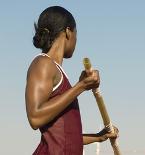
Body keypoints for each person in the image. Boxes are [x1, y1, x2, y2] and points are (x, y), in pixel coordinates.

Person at [25, 6, 119, 155]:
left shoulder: (57, 71)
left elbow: (65, 137)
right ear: (68, 32)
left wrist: (99, 137)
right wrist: (81, 86)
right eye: (76, 34)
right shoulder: (43, 64)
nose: (76, 40)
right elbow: (35, 117)